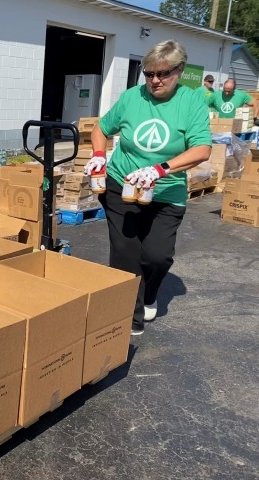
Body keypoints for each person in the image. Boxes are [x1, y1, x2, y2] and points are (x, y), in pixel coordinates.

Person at [84, 40, 211, 335]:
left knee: (157, 255)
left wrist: (159, 170)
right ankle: (129, 316)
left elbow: (202, 149)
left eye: (163, 73)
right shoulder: (132, 98)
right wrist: (100, 156)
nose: (155, 80)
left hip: (165, 191)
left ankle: (150, 292)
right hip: (123, 184)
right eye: (149, 73)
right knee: (126, 249)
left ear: (179, 71)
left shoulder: (191, 102)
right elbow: (101, 129)